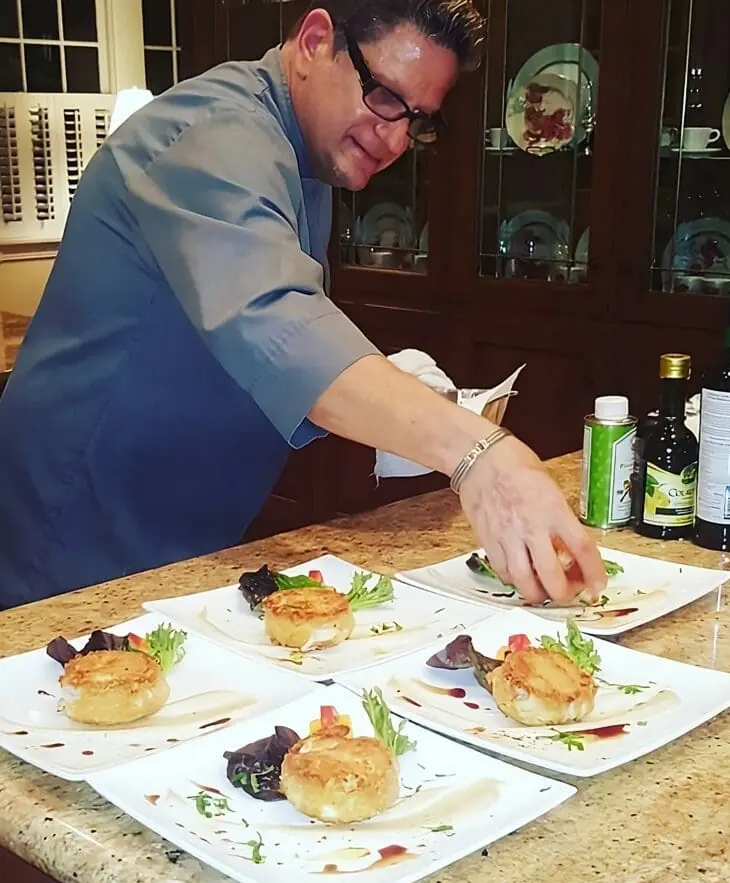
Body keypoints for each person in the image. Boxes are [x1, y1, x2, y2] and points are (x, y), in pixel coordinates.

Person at [0, 0, 606, 610]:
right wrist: (482, 456)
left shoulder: (304, 157)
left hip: (174, 529)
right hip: (74, 533)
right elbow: (280, 326)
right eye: (385, 97)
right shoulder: (213, 133)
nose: (396, 137)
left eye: (418, 119)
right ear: (316, 41)